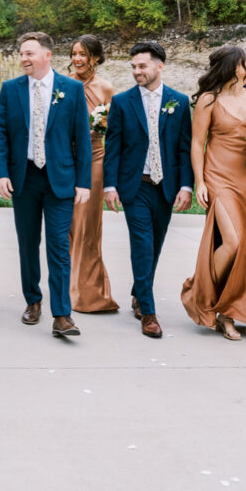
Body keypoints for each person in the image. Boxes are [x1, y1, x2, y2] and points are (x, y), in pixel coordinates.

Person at [0, 32, 93, 339]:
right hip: (24, 177)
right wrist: (0, 173)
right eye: (22, 53)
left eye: (29, 53)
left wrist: (83, 181)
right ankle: (33, 300)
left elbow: (82, 138)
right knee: (27, 243)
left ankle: (62, 315)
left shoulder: (71, 89)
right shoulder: (11, 89)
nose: (24, 58)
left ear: (47, 55)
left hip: (60, 178)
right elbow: (0, 134)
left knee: (58, 244)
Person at [101, 41, 194, 338]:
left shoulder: (179, 102)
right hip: (135, 186)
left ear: (159, 66)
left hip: (165, 187)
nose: (136, 71)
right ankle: (149, 312)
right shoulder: (122, 102)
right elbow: (113, 146)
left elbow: (184, 148)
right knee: (142, 244)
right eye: (133, 67)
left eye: (142, 66)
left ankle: (138, 292)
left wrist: (186, 185)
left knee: (154, 246)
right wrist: (110, 185)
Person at [181, 45, 246, 341]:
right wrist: (200, 182)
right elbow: (197, 143)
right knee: (232, 242)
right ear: (234, 67)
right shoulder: (209, 99)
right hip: (219, 177)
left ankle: (228, 313)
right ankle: (200, 287)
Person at [65, 35, 121, 315]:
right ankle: (67, 284)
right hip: (65, 160)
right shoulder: (62, 85)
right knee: (66, 225)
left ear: (95, 58)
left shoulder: (106, 88)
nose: (77, 59)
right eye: (74, 53)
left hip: (95, 160)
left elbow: (115, 129)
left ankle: (87, 291)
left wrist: (100, 127)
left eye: (83, 54)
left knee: (87, 226)